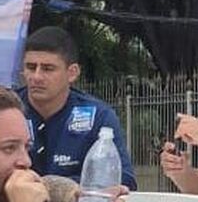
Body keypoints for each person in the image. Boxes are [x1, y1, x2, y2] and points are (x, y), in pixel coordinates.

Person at [17, 27, 137, 190]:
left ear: (72, 73)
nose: (36, 77)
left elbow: (124, 179)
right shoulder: (4, 109)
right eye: (31, 67)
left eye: (47, 69)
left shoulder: (99, 116)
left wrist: (55, 188)